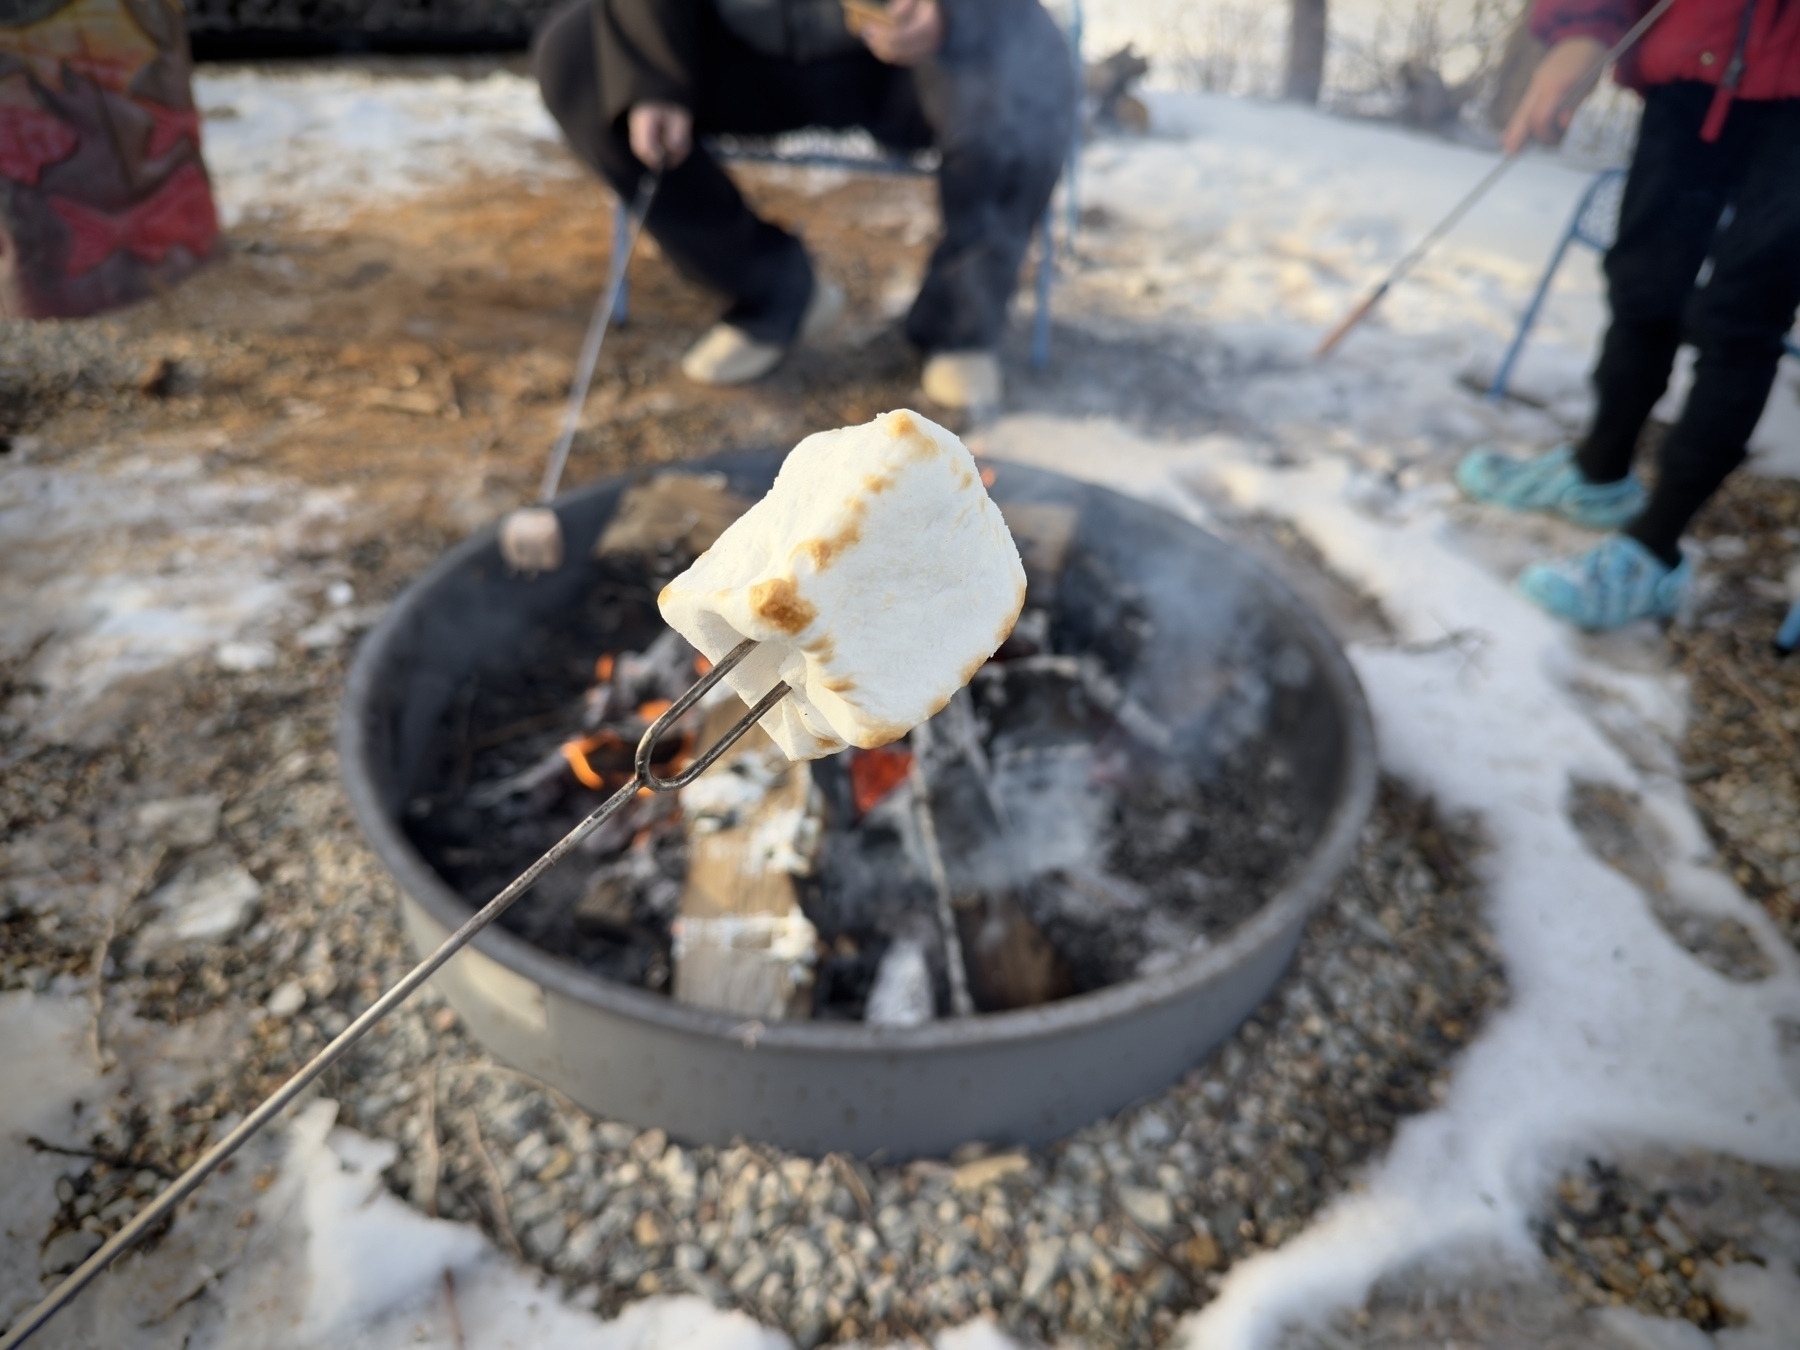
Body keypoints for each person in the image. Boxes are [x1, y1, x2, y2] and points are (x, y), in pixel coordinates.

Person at [533, 0, 1076, 409]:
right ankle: (771, 289)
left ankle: (961, 318)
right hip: (735, 47)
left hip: (904, 59)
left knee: (1030, 70)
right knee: (577, 56)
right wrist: (651, 73)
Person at [1457, 0, 1800, 629]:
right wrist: (1581, 26)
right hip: (1698, 52)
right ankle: (1599, 471)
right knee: (1643, 285)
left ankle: (1655, 548)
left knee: (1741, 320)